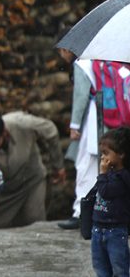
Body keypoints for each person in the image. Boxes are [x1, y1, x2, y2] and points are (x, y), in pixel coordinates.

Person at [0, 111, 66, 228]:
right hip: (4, 188)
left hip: (31, 181)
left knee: (34, 220)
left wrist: (58, 166)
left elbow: (50, 131)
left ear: (4, 133)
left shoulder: (22, 123)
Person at [59, 58, 105, 230]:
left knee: (85, 165)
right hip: (109, 118)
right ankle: (99, 211)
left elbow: (81, 95)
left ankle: (81, 212)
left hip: (93, 119)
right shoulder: (106, 62)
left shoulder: (83, 64)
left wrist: (75, 125)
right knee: (102, 166)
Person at [90, 128, 130, 277]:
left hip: (115, 231)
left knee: (119, 269)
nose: (102, 157)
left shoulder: (123, 177)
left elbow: (106, 192)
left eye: (106, 153)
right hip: (98, 229)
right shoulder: (110, 173)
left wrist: (102, 174)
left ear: (121, 154)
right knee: (100, 267)